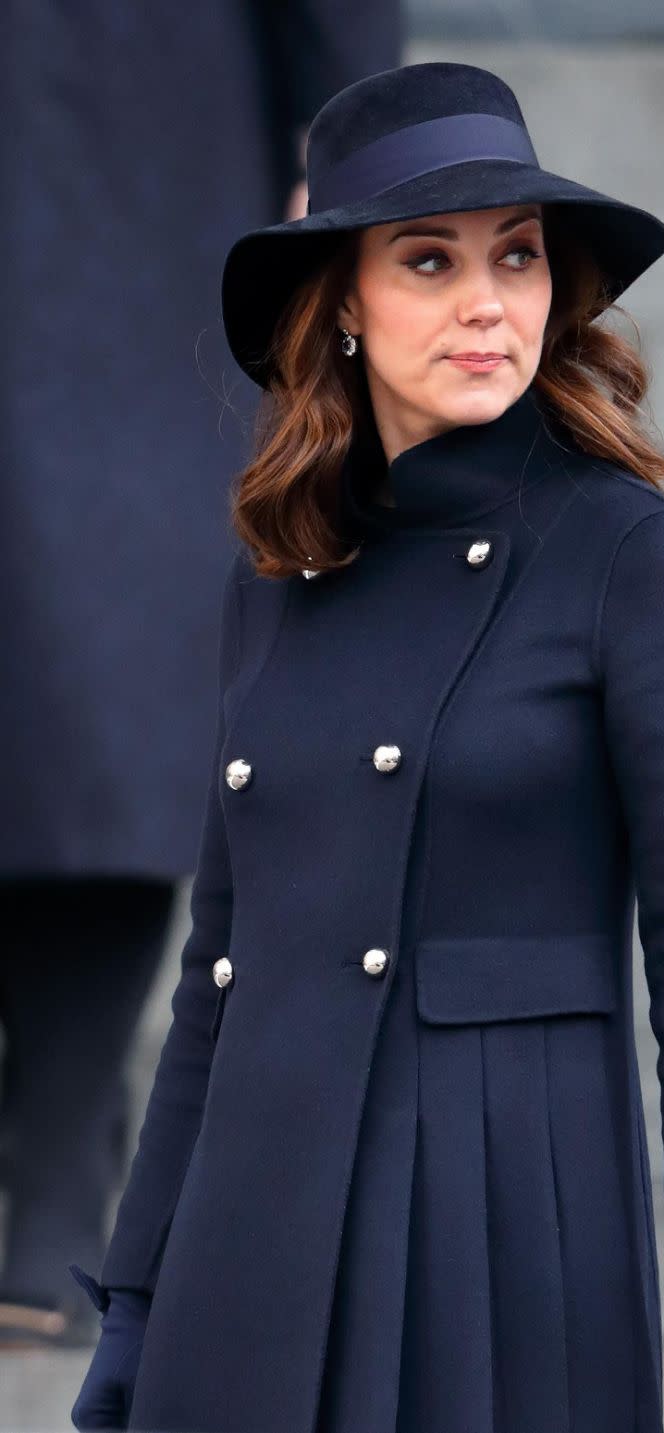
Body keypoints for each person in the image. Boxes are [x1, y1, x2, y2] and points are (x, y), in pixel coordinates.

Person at [69, 60, 664, 1433]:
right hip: (247, 1249)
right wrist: (134, 1297)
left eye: (519, 257)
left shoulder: (638, 564)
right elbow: (219, 970)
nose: (489, 302)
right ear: (345, 305)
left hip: (500, 1234)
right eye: (430, 259)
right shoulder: (279, 581)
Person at [0, 0, 402, 1351]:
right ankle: (53, 1198)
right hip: (146, 136)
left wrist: (343, 140)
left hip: (141, 146)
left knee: (104, 670)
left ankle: (55, 1192)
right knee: (102, 675)